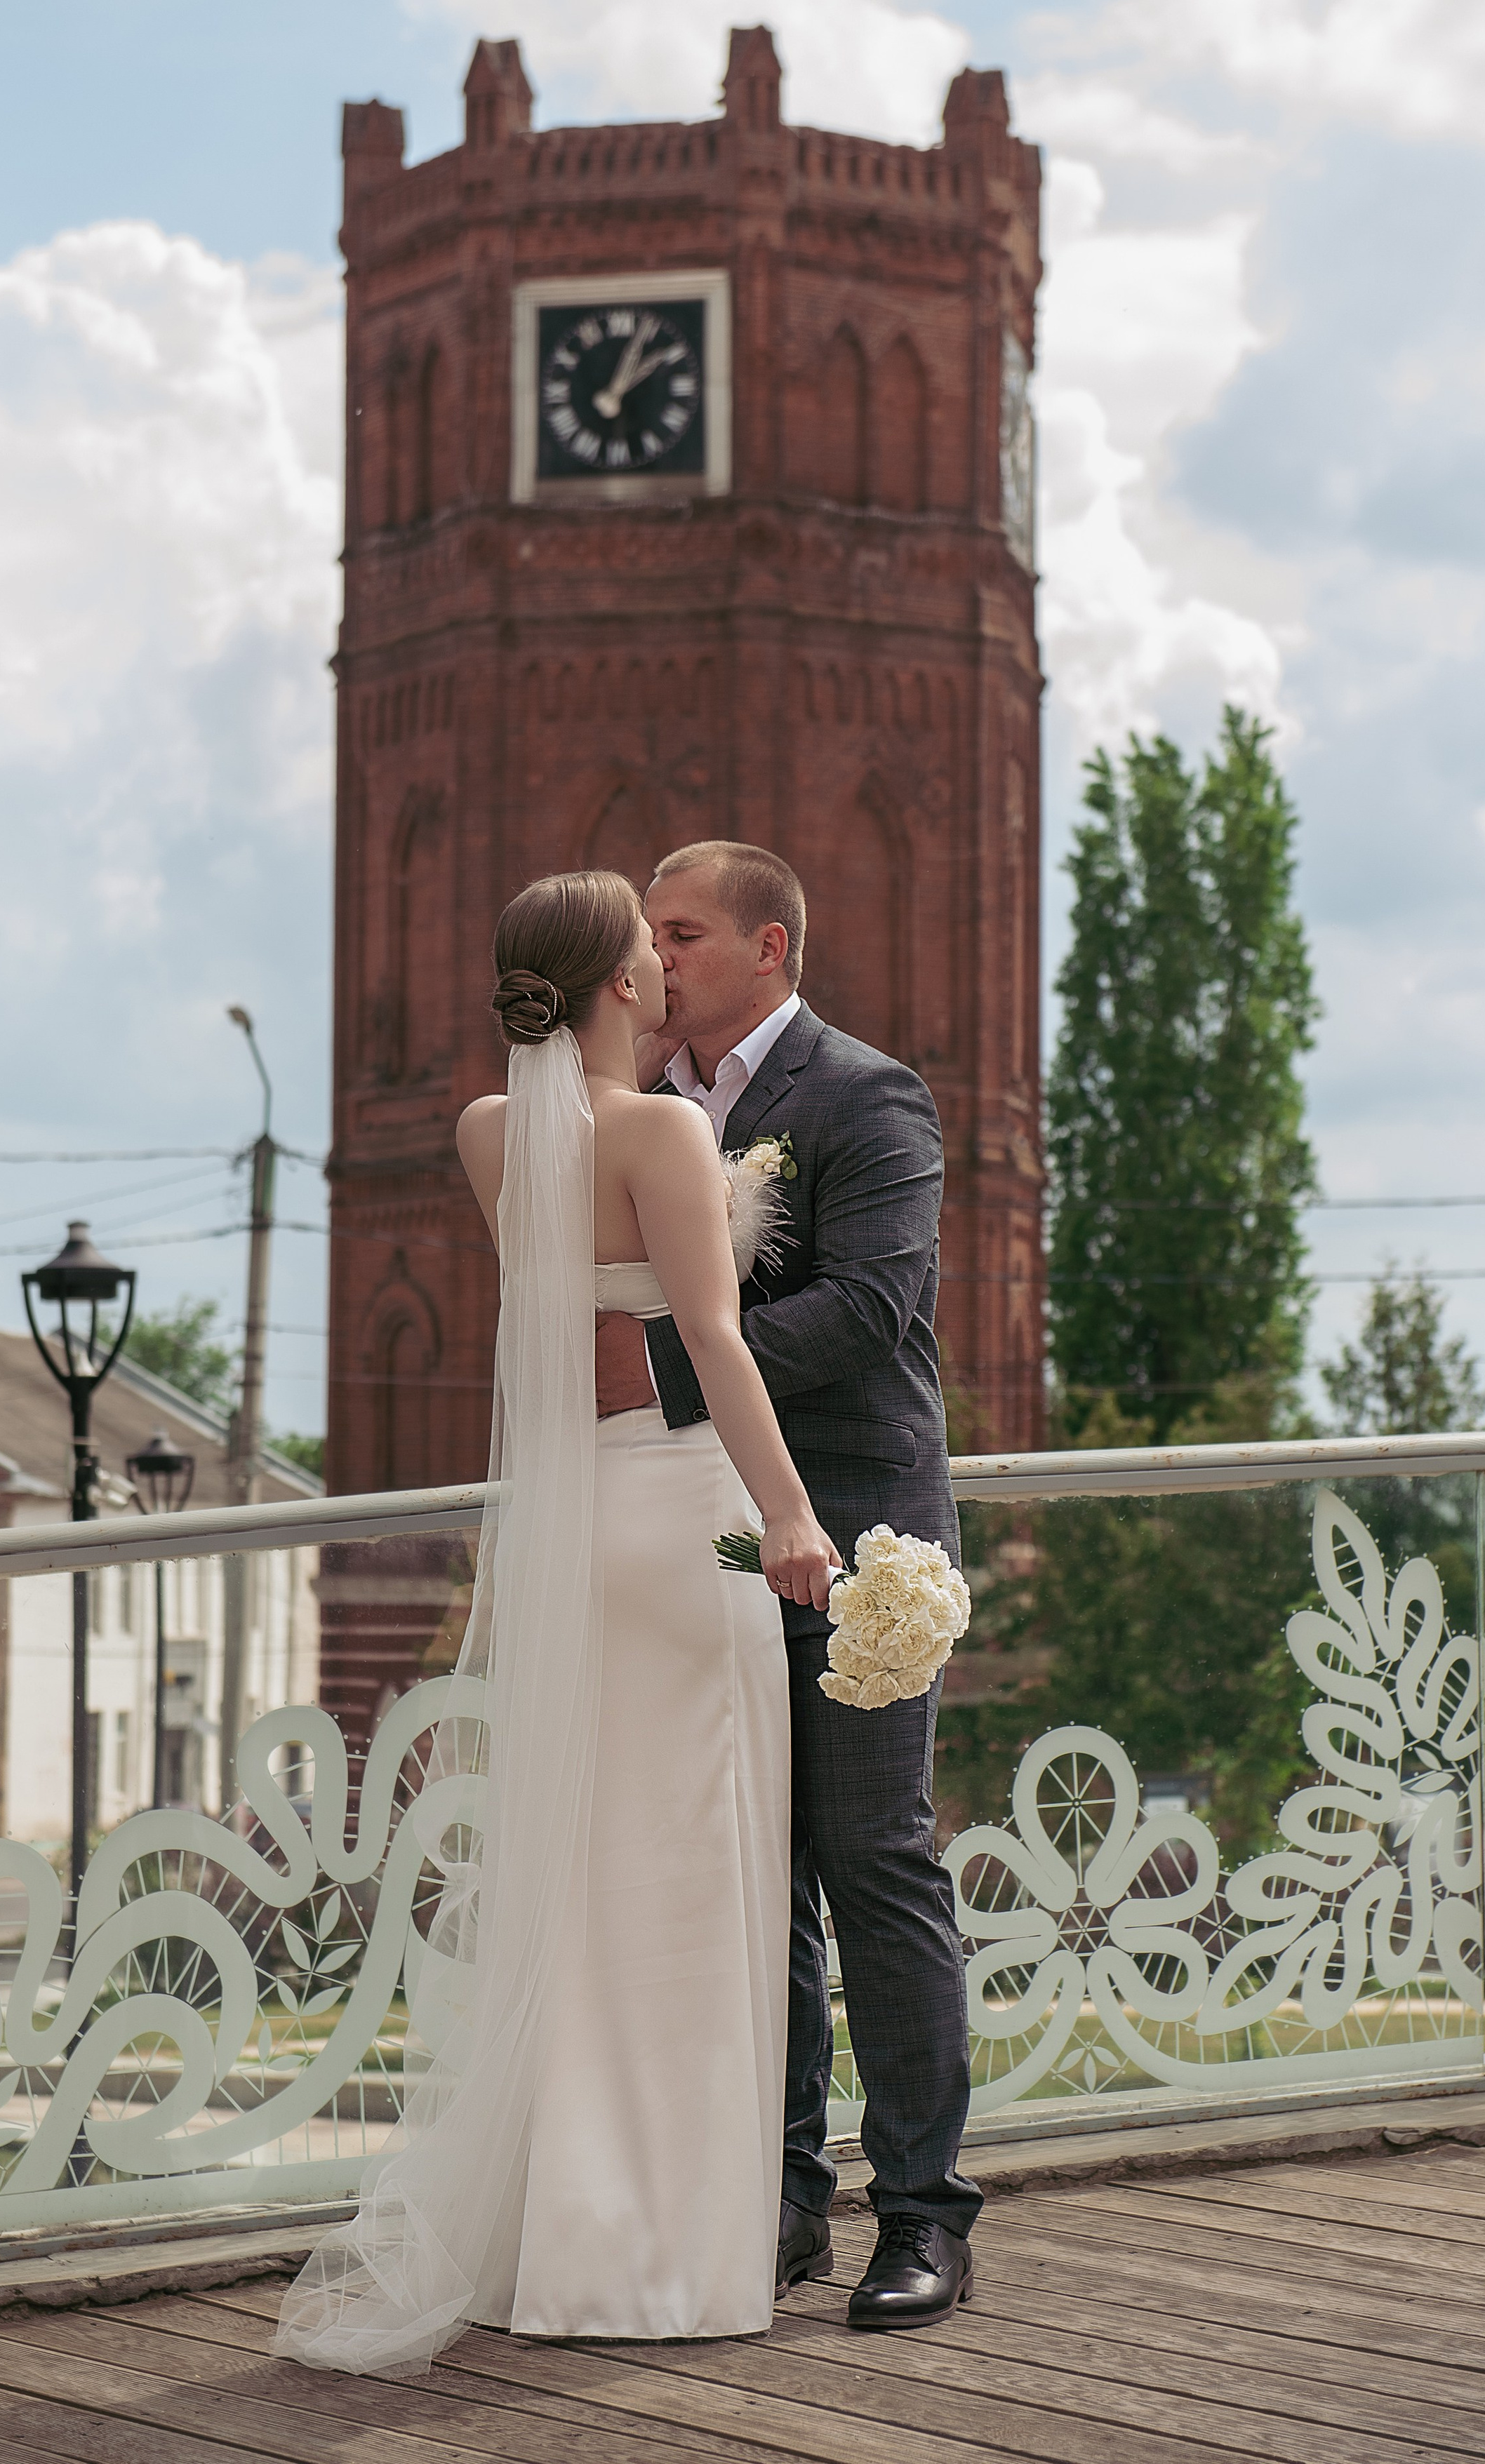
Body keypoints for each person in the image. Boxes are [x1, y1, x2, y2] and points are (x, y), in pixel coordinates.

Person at [274, 868, 839, 2373]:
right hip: (676, 1514)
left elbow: (570, 1311)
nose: (667, 962)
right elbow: (711, 1338)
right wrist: (788, 1514)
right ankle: (664, 2256)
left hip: (568, 1529)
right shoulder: (666, 1127)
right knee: (693, 1876)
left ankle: (553, 2244)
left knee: (584, 1878)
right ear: (616, 984)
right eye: (646, 948)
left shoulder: (485, 1131)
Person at [596, 841, 980, 2330]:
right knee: (753, 1880)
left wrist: (668, 1361)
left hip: (856, 1532)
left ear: (769, 948)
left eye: (682, 932)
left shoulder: (863, 1094)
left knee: (871, 1860)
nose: (658, 954)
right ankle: (776, 2206)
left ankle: (926, 2218)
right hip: (698, 1536)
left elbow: (873, 1311)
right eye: (647, 935)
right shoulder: (639, 1111)